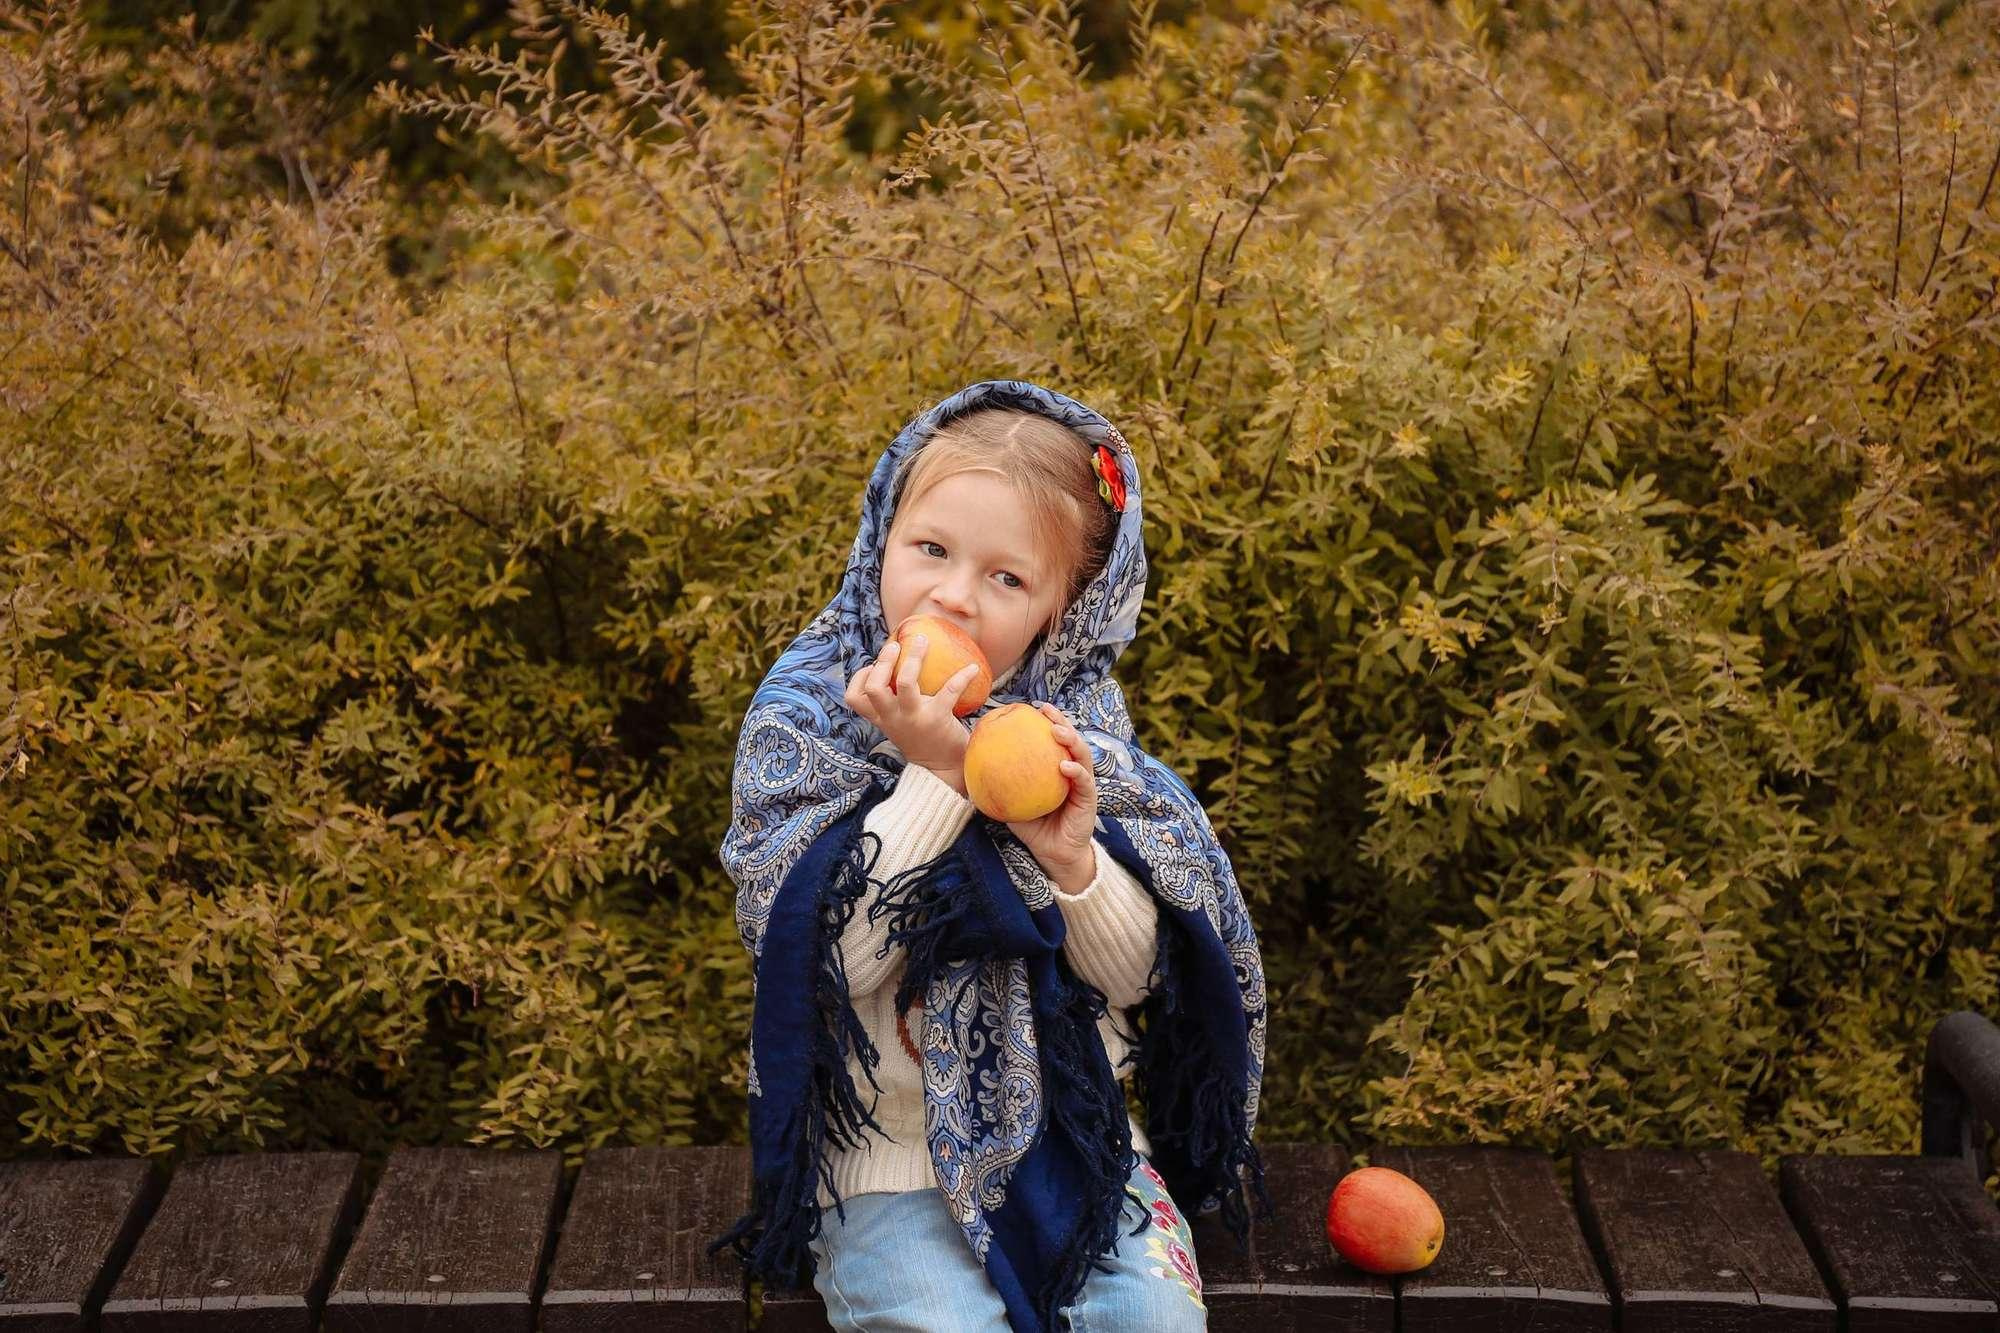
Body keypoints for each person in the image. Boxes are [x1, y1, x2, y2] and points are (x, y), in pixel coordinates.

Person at [709, 380, 1272, 1332]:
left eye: (1007, 578)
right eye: (929, 549)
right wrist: (945, 774)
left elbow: (1136, 980)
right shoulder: (806, 723)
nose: (953, 595)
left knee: (1158, 1324)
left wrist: (1071, 862)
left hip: (1081, 1143)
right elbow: (824, 968)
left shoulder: (1075, 739)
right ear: (880, 539)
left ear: (1064, 613)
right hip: (888, 1162)